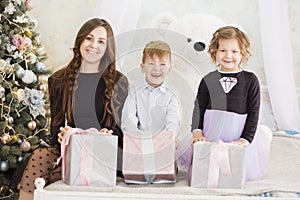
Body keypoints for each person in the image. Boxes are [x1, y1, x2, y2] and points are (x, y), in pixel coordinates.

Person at [19, 18, 128, 200]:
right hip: (70, 150)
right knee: (39, 158)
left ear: (107, 48)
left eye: (101, 41)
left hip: (104, 153)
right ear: (80, 41)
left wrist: (105, 135)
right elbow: (56, 128)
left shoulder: (119, 82)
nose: (93, 45)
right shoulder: (58, 80)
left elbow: (119, 129)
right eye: (89, 38)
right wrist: (62, 135)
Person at [191, 26, 272, 181]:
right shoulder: (208, 79)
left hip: (237, 133)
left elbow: (254, 111)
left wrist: (245, 139)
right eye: (223, 50)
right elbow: (199, 108)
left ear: (243, 53)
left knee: (234, 170)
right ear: (214, 52)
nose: (228, 55)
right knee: (207, 171)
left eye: (234, 51)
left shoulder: (250, 80)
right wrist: (197, 131)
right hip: (211, 132)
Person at [121, 40, 181, 138]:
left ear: (169, 68)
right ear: (142, 67)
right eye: (151, 63)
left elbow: (173, 121)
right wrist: (137, 139)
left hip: (163, 141)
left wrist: (168, 138)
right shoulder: (134, 90)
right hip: (137, 141)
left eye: (162, 64)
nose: (156, 69)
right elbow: (128, 119)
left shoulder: (172, 94)